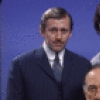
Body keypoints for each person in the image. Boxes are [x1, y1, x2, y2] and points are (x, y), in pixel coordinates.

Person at [6, 7, 91, 100]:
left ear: (70, 33)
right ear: (42, 31)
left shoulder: (83, 66)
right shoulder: (21, 65)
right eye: (53, 30)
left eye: (63, 31)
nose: (58, 37)